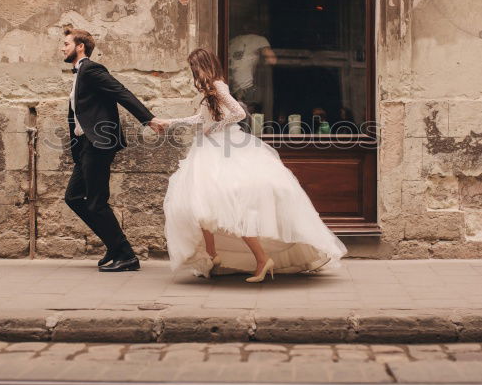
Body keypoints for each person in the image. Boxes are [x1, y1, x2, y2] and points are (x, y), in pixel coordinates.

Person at [156, 48, 347, 282]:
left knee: (230, 206)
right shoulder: (209, 90)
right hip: (210, 149)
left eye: (194, 67)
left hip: (225, 148)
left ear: (202, 66)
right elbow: (200, 118)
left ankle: (261, 259)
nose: (193, 72)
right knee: (202, 204)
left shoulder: (218, 85)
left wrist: (215, 128)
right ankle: (213, 254)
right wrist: (171, 122)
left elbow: (238, 113)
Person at [61, 27, 165, 273]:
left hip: (98, 144)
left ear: (80, 47)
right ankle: (115, 246)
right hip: (86, 145)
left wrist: (148, 119)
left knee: (97, 202)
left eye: (66, 43)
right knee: (73, 197)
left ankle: (126, 255)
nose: (62, 47)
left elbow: (121, 92)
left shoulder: (92, 69)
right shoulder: (79, 74)